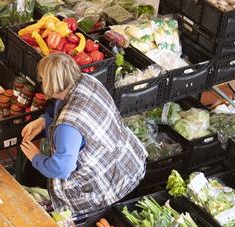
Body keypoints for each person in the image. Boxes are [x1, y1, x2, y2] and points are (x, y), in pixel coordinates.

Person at [20, 53, 147, 216]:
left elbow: (62, 168)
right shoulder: (87, 81)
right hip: (128, 160)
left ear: (53, 82)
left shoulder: (68, 126)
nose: (40, 80)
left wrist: (36, 158)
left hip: (106, 182)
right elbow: (63, 106)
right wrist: (44, 120)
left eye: (43, 78)